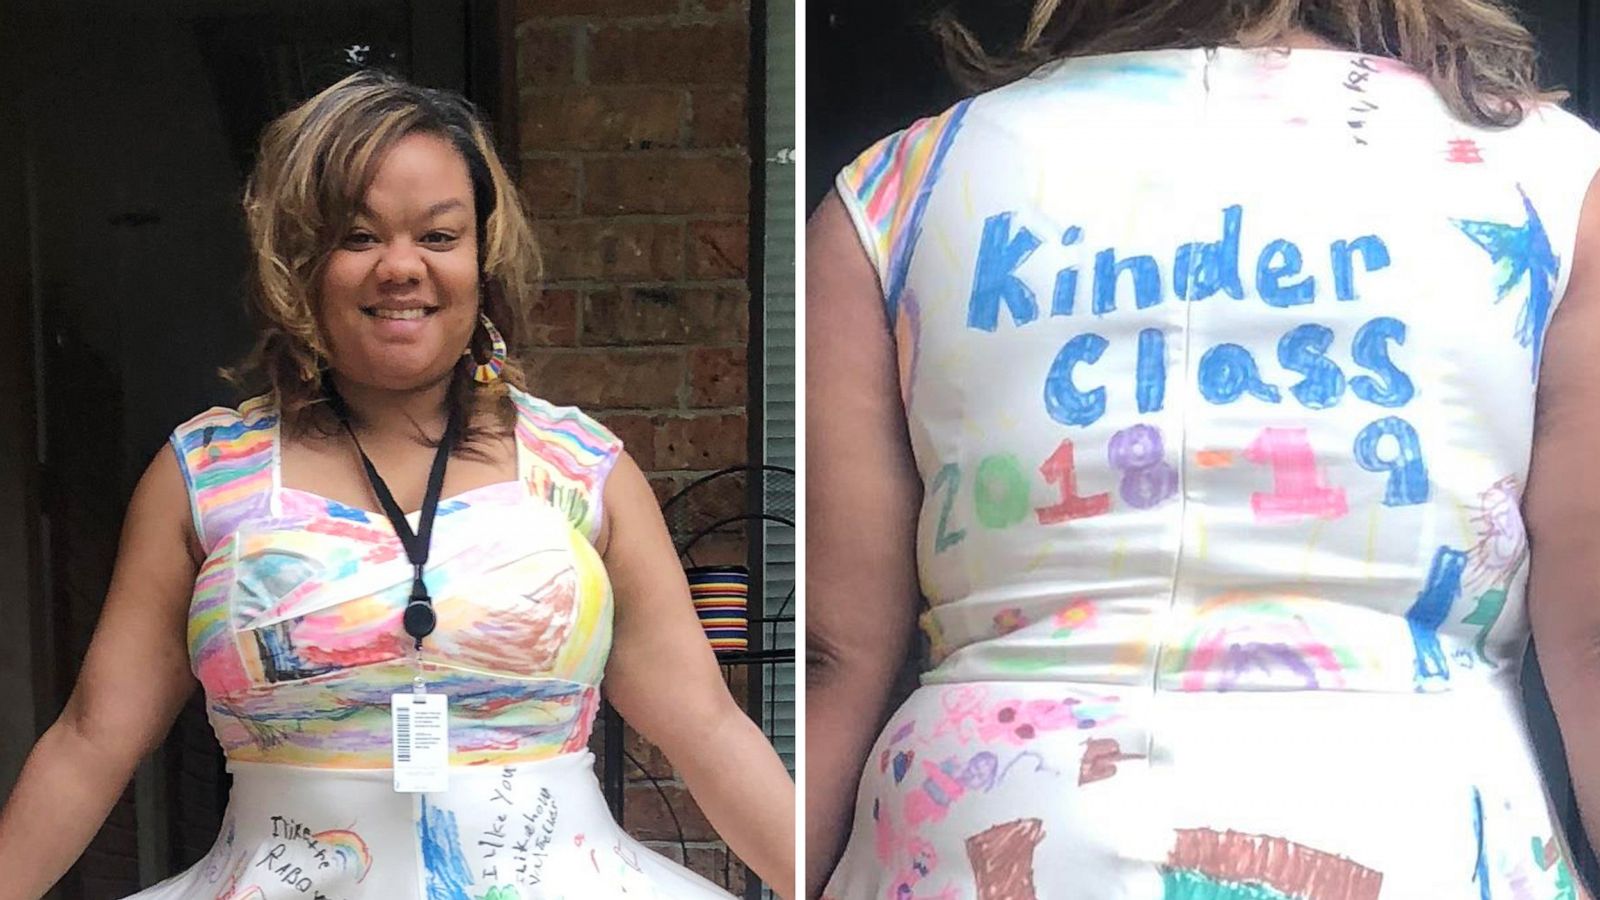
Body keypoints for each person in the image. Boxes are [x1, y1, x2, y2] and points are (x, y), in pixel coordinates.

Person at [807, 1, 1600, 896]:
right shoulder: (1554, 177)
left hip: (982, 823)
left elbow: (834, 651)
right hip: (1412, 821)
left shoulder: (894, 189)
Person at [0, 69, 794, 899]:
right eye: (357, 236)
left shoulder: (579, 469)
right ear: (299, 261)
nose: (402, 268)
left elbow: (705, 729)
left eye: (440, 237)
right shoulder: (203, 476)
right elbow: (93, 738)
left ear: (484, 258)